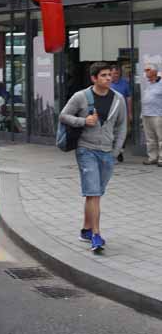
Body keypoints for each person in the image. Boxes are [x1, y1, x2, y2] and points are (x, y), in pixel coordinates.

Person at [59, 62, 127, 253]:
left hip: (107, 153)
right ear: (94, 78)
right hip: (86, 149)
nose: (108, 78)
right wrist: (83, 121)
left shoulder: (118, 99)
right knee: (93, 193)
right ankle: (96, 235)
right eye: (104, 75)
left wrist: (116, 151)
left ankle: (86, 230)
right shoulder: (81, 97)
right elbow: (63, 116)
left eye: (110, 75)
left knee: (96, 193)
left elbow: (122, 126)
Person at [140, 62, 162, 166]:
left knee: (161, 138)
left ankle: (161, 159)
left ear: (154, 71)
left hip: (158, 114)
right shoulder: (148, 83)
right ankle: (152, 157)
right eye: (145, 70)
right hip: (146, 114)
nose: (145, 72)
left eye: (147, 70)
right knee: (150, 139)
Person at [110, 63, 131, 162]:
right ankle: (113, 152)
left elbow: (129, 99)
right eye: (113, 73)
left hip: (123, 112)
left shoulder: (125, 84)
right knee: (111, 133)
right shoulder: (107, 83)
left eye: (117, 73)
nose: (115, 75)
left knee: (122, 133)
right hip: (111, 113)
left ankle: (120, 151)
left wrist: (129, 113)